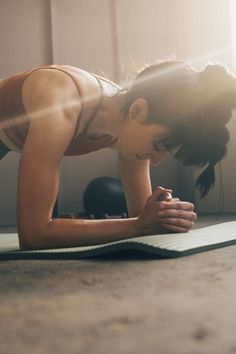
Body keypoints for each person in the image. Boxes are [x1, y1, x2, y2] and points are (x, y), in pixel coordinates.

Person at [0, 60, 235, 250]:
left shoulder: (127, 122)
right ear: (138, 109)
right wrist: (139, 225)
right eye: (158, 145)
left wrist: (164, 217)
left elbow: (141, 219)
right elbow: (34, 234)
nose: (155, 160)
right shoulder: (62, 101)